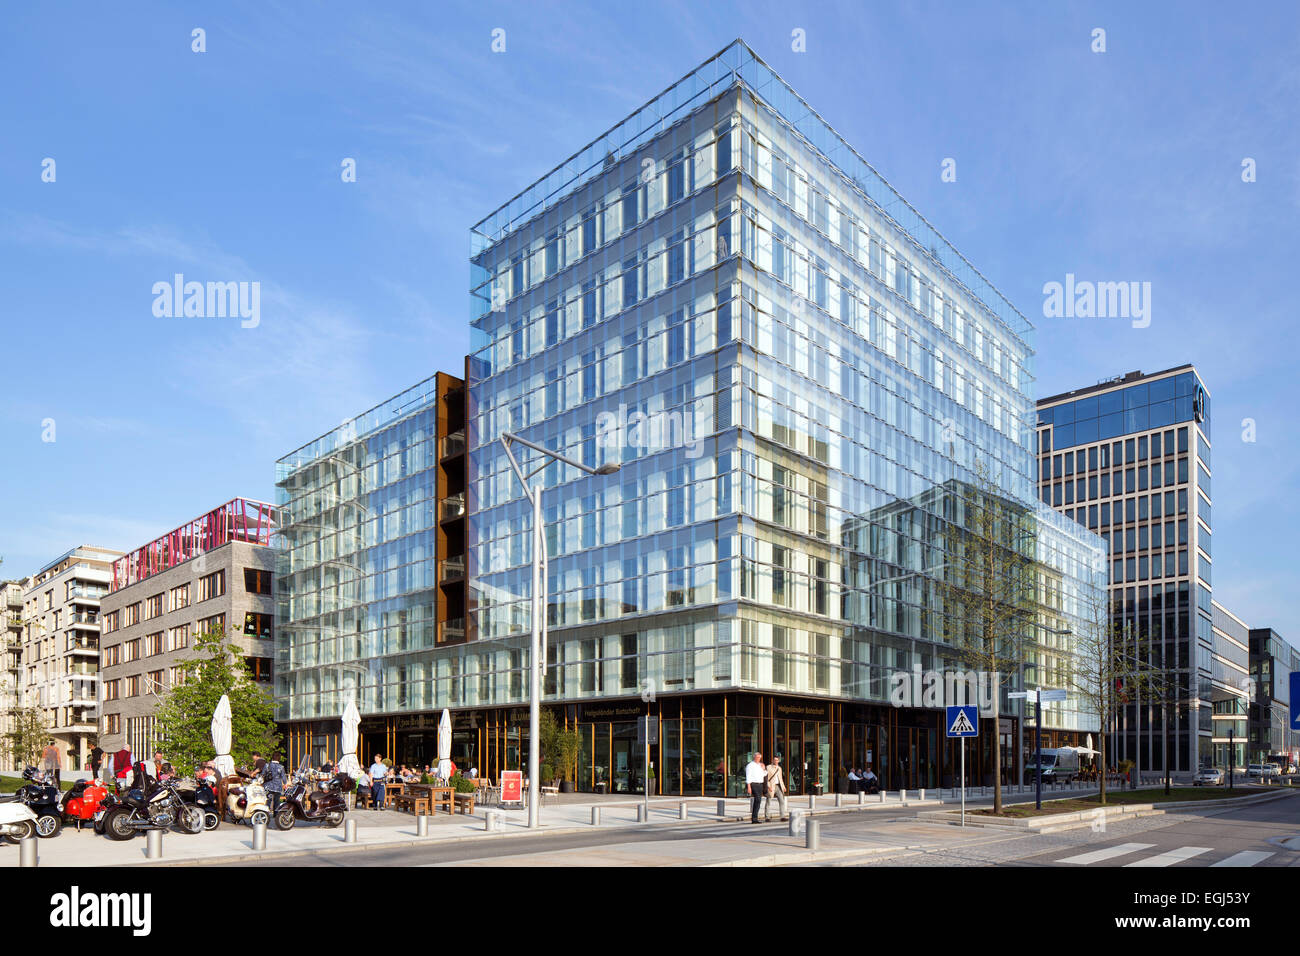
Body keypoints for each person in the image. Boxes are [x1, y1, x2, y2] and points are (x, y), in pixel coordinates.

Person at [744, 751, 767, 824]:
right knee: (758, 799)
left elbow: (764, 774)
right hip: (753, 784)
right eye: (757, 757)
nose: (758, 759)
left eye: (759, 758)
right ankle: (754, 818)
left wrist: (764, 769)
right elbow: (748, 776)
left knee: (758, 801)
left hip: (760, 784)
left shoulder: (760, 765)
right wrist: (749, 787)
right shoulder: (750, 765)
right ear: (754, 757)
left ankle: (755, 818)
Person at [764, 754, 788, 822]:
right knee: (768, 801)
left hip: (778, 786)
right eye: (775, 760)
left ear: (779, 761)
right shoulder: (768, 767)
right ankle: (767, 817)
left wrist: (783, 786)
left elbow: (780, 778)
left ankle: (782, 816)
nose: (776, 761)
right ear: (772, 760)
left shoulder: (779, 768)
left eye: (777, 760)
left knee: (782, 801)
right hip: (771, 786)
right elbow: (766, 778)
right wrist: (768, 786)